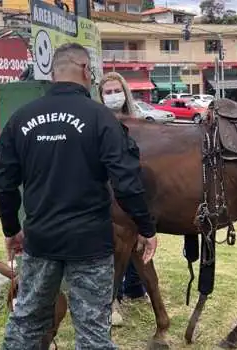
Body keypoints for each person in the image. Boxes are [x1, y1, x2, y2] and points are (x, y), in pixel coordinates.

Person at [0, 42, 157, 349]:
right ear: (85, 69)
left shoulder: (20, 119)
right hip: (90, 244)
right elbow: (127, 182)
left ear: (54, 72)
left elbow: (4, 182)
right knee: (93, 332)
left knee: (26, 322)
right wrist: (146, 228)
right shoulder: (101, 119)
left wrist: (10, 229)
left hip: (41, 240)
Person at [97, 72, 149, 328]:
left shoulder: (138, 121)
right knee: (114, 248)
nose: (113, 96)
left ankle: (136, 288)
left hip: (134, 191)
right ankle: (113, 298)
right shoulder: (98, 122)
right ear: (100, 96)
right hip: (108, 196)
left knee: (138, 241)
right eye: (108, 92)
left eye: (117, 91)